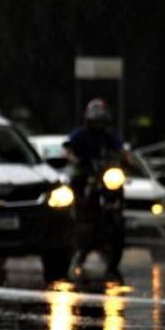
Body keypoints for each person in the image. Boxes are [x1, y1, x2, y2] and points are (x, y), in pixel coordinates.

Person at [63, 98, 125, 277]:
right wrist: (74, 159)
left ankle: (114, 214)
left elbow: (122, 151)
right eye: (94, 120)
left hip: (103, 175)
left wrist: (128, 162)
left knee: (118, 187)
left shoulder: (109, 135)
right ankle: (77, 219)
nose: (97, 124)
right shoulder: (80, 134)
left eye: (101, 120)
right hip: (84, 174)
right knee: (75, 193)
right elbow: (67, 149)